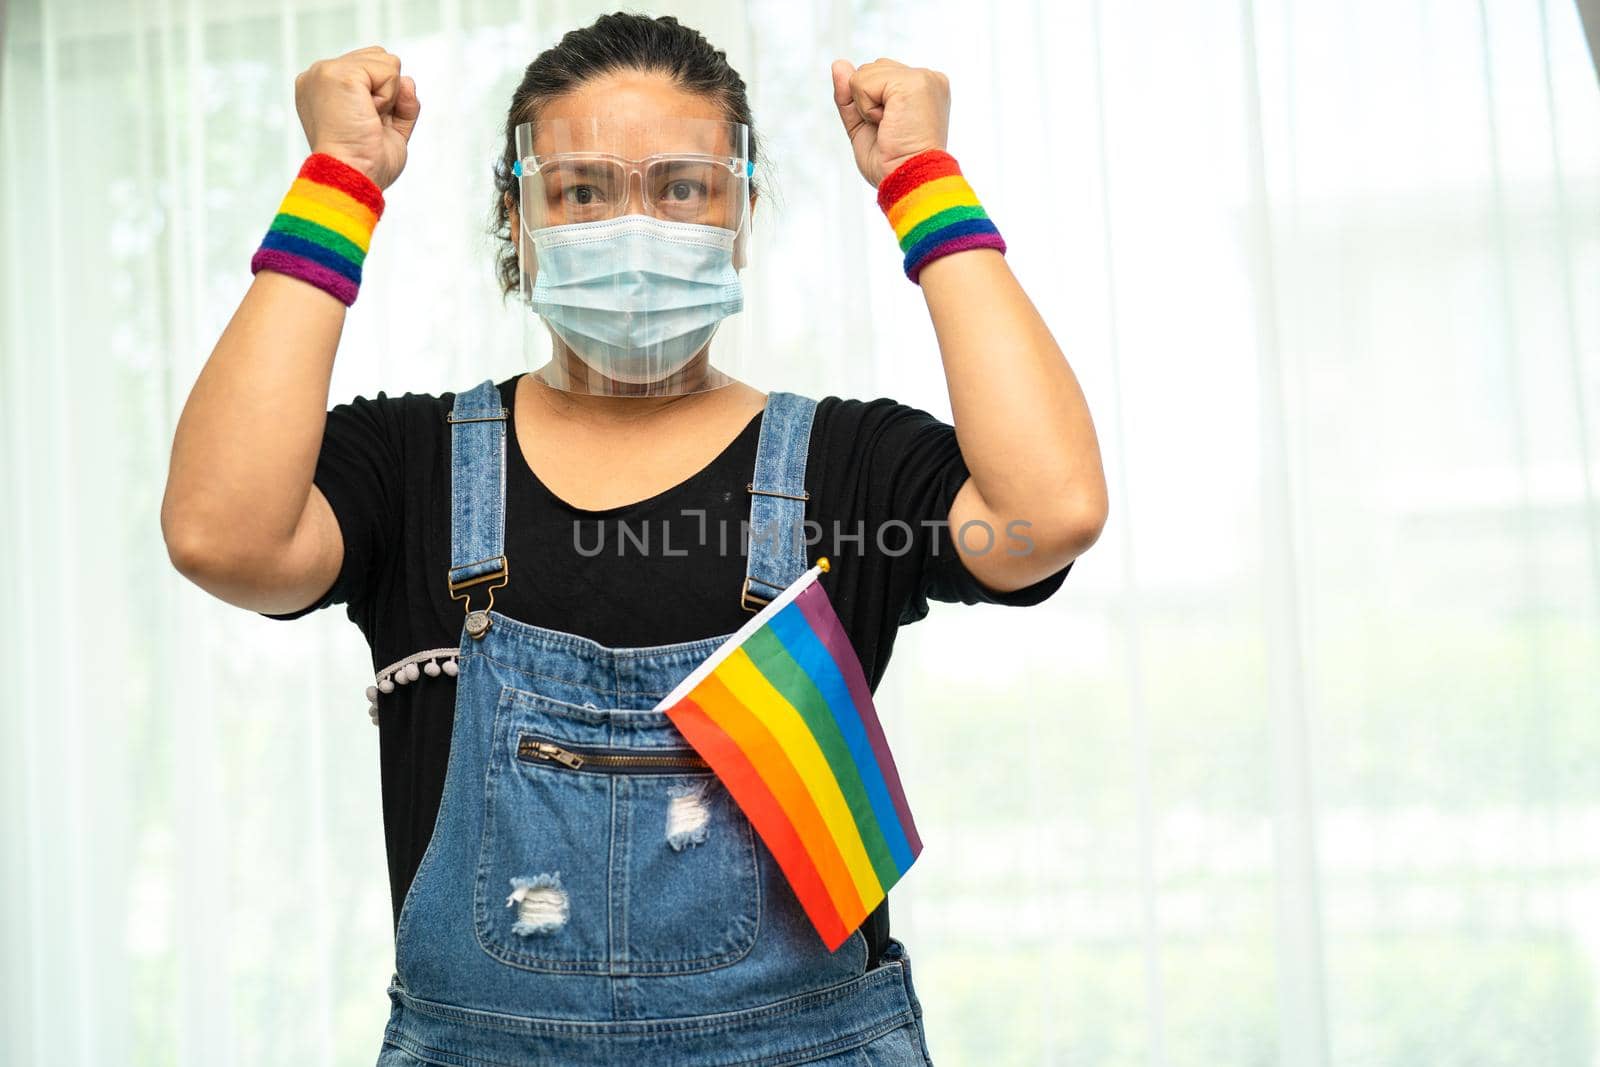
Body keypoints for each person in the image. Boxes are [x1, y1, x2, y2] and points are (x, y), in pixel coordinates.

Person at [161, 12, 1107, 1066]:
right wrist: (340, 180)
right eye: (581, 191)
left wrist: (921, 177)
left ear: (739, 216)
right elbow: (220, 532)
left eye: (681, 187)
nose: (634, 225)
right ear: (516, 223)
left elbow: (1050, 509)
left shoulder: (847, 468)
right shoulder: (409, 464)